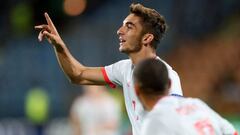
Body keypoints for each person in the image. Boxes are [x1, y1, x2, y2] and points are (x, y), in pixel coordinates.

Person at [35, 3, 183, 135]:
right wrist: (59, 46)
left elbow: (176, 124)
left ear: (147, 38)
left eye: (129, 26)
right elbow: (78, 75)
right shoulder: (124, 69)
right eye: (122, 25)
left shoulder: (167, 76)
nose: (120, 30)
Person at [133, 58, 238, 135]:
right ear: (170, 84)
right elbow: (232, 132)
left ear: (136, 89)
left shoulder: (153, 121)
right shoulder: (196, 104)